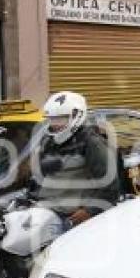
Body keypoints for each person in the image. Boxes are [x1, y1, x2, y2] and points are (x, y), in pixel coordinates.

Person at [35, 91, 125, 228]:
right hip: (46, 211)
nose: (55, 124)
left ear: (77, 116)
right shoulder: (49, 141)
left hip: (72, 219)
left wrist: (89, 211)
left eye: (61, 118)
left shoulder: (92, 143)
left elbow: (110, 185)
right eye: (52, 119)